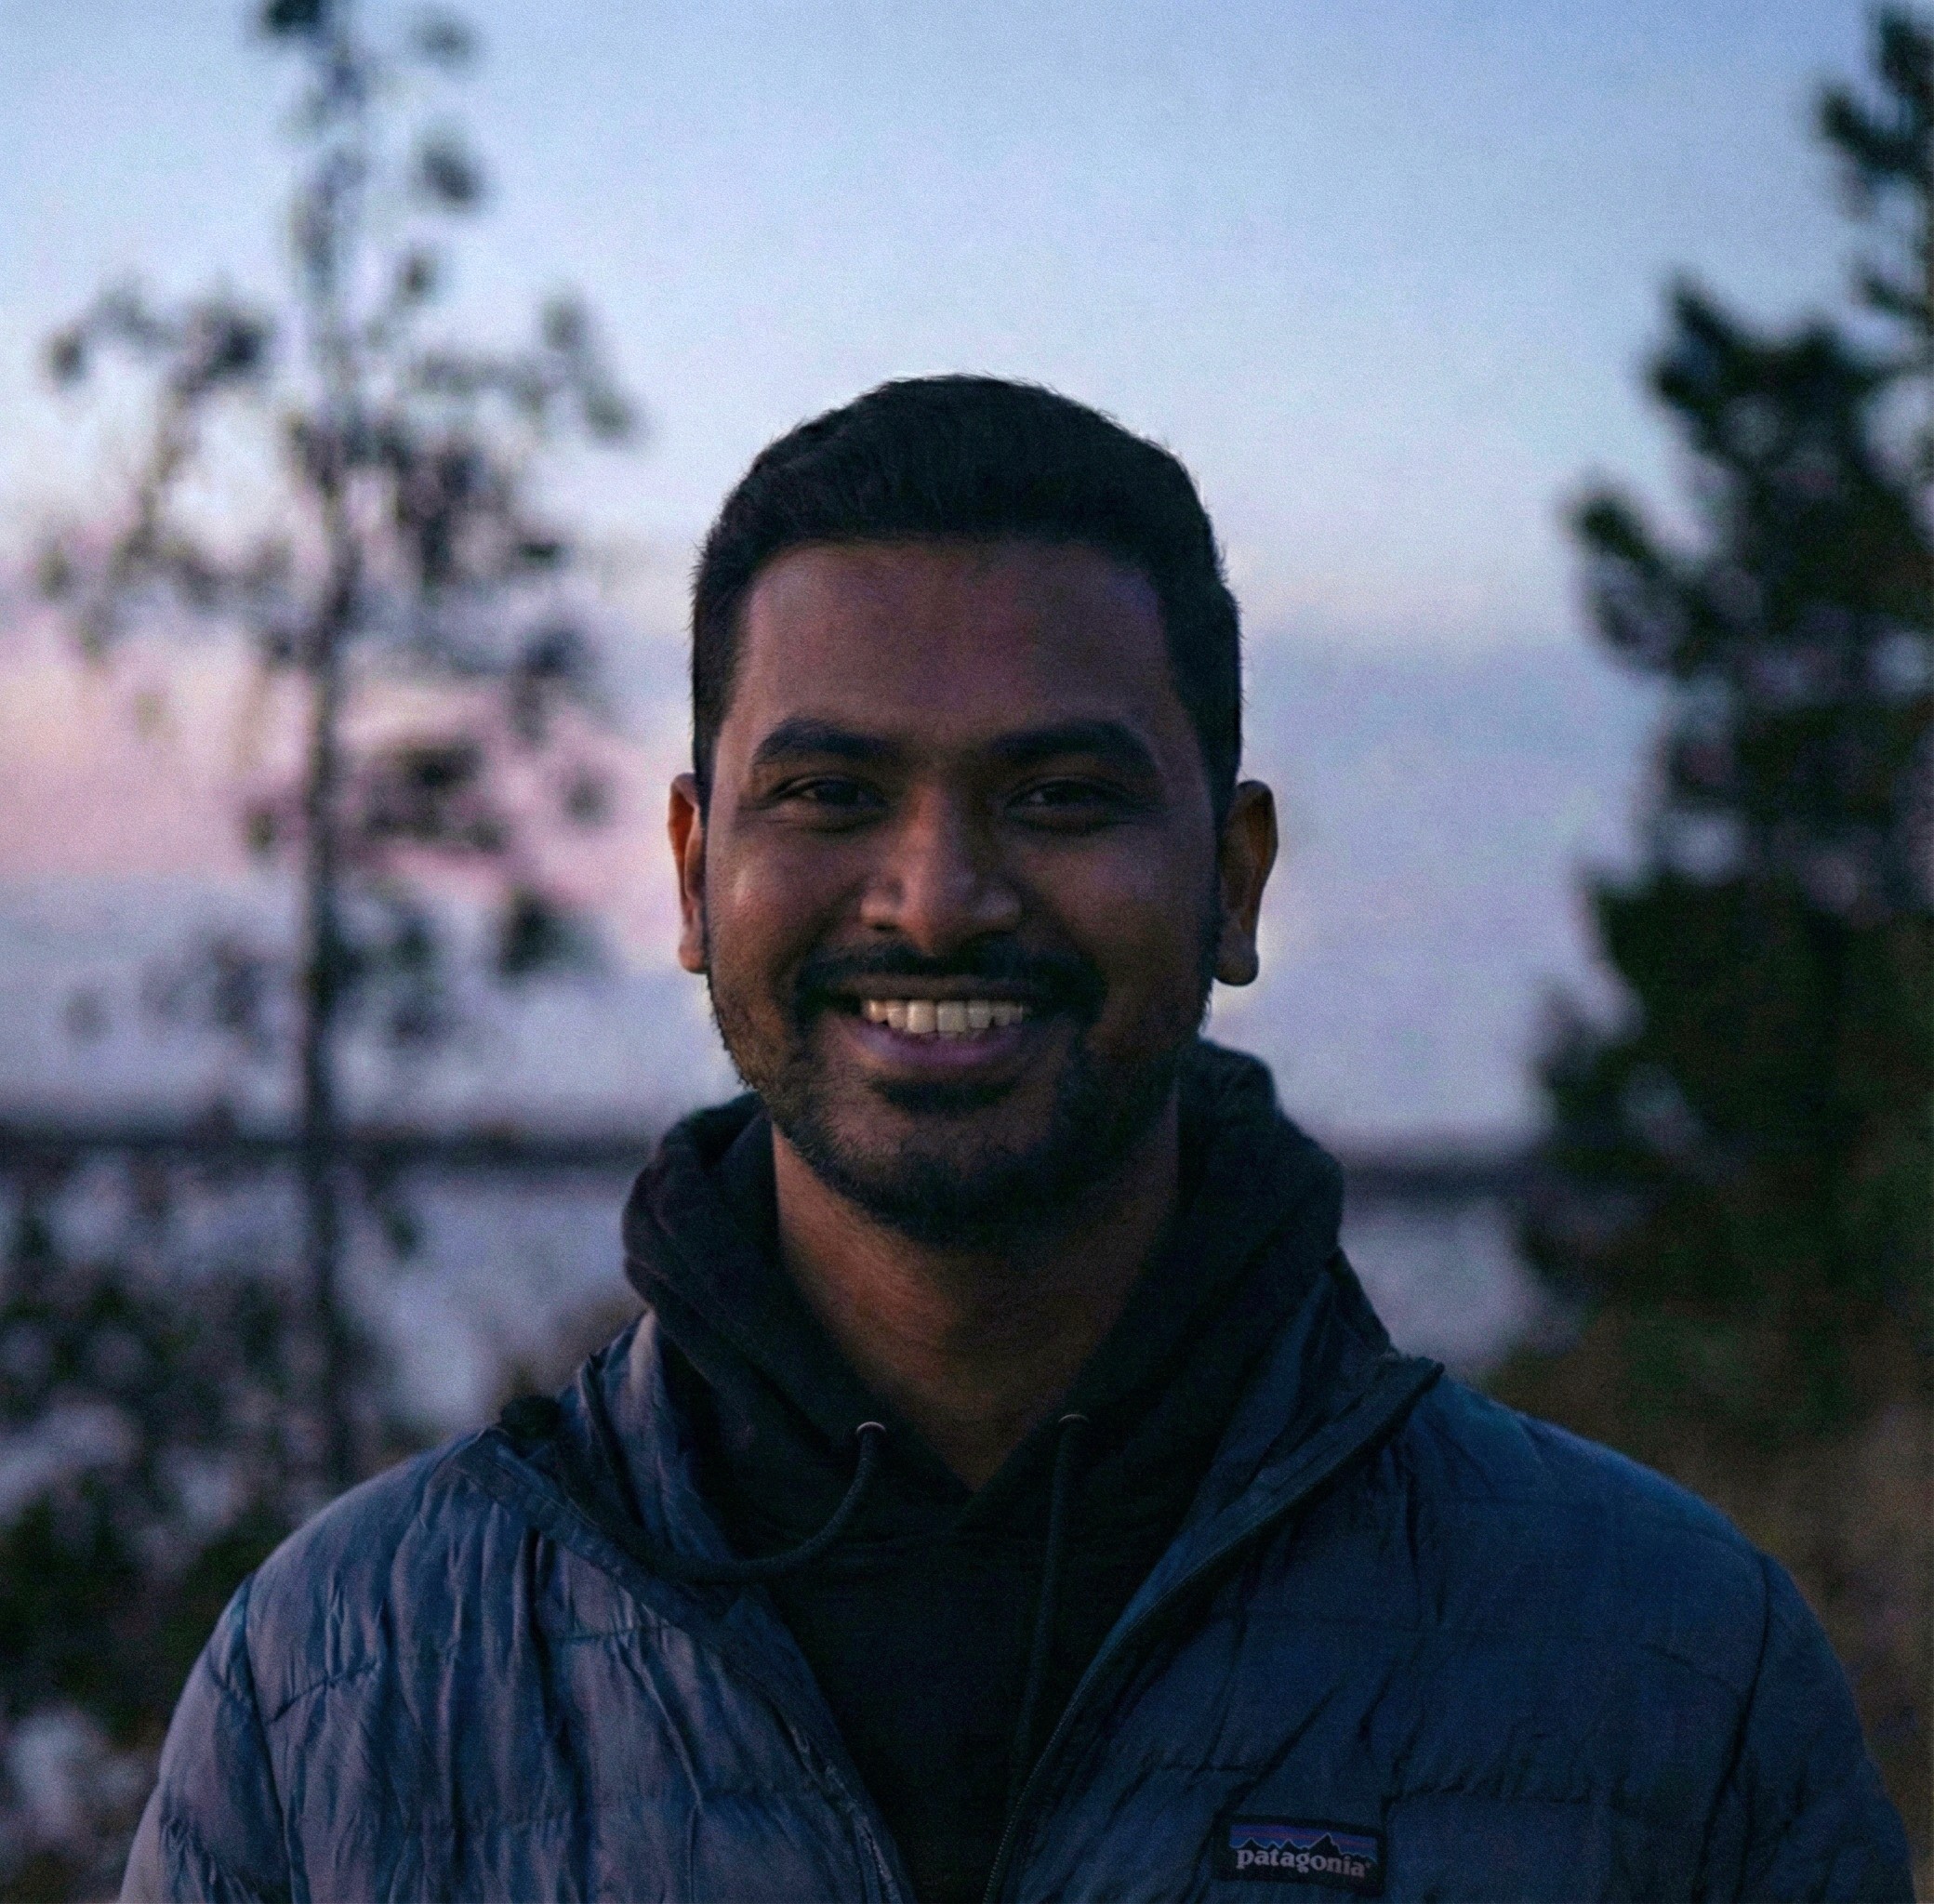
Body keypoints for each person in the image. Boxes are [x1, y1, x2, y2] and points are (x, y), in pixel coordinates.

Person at [123, 377, 1911, 1903]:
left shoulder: (1671, 1672)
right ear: (690, 873)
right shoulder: (337, 1686)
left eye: (1059, 797)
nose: (938, 897)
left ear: (1233, 877)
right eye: (831, 794)